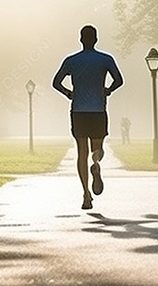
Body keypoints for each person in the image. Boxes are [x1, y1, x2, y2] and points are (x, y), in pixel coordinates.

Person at [52, 25, 123, 209]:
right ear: (96, 39)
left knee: (81, 153)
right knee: (97, 148)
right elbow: (119, 80)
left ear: (81, 40)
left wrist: (69, 93)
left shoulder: (71, 61)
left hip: (78, 111)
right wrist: (108, 90)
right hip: (98, 110)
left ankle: (85, 195)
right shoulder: (105, 59)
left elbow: (56, 82)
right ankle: (97, 163)